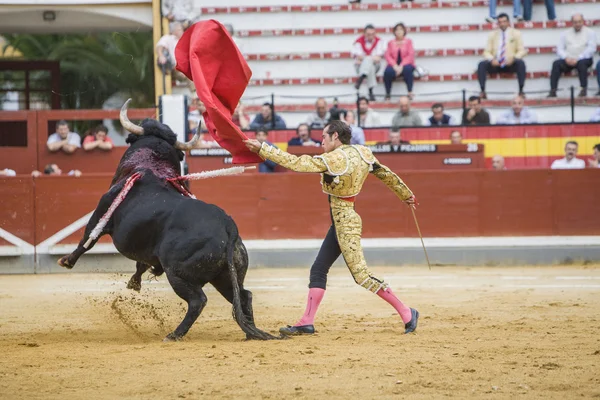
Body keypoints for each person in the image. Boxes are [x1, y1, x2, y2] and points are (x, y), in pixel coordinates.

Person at [243, 120, 419, 336]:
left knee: (361, 275)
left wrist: (264, 148)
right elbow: (386, 174)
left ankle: (406, 311)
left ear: (335, 136)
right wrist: (406, 194)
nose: (321, 142)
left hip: (344, 222)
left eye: (324, 137)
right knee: (318, 269)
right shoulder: (363, 152)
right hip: (342, 220)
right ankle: (306, 321)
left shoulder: (334, 158)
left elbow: (296, 164)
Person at [478, 13, 527, 99]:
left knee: (520, 63)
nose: (502, 24)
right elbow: (486, 52)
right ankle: (483, 91)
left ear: (508, 22)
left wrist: (513, 58)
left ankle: (521, 91)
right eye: (500, 22)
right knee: (481, 64)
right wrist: (492, 59)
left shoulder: (516, 33)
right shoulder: (492, 34)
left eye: (504, 21)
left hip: (510, 63)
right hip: (496, 63)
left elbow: (522, 50)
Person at [548, 13, 597, 98]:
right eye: (575, 22)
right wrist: (566, 58)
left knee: (582, 64)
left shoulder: (590, 33)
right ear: (572, 23)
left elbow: (591, 49)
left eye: (579, 22)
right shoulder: (565, 33)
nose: (577, 24)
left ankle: (583, 90)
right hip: (569, 59)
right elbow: (560, 49)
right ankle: (553, 90)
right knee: (556, 64)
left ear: (583, 22)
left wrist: (578, 58)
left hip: (583, 58)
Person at [351, 24, 386, 101]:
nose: (371, 36)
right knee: (370, 66)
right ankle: (370, 92)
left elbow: (378, 58)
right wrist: (369, 58)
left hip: (375, 65)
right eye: (368, 34)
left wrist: (366, 58)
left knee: (368, 61)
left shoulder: (379, 41)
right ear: (364, 34)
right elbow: (357, 56)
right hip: (360, 67)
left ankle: (362, 77)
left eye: (372, 34)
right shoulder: (359, 41)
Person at [383, 23, 416, 101]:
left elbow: (410, 55)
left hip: (406, 64)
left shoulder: (408, 41)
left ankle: (410, 92)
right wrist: (394, 65)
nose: (399, 31)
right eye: (397, 30)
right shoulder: (390, 42)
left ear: (404, 31)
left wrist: (401, 66)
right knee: (387, 72)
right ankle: (388, 94)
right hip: (394, 65)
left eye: (401, 29)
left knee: (408, 70)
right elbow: (388, 55)